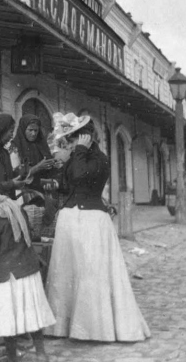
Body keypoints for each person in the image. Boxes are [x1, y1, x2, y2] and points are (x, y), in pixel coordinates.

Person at [44, 112, 150, 342]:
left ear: (85, 137)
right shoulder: (75, 157)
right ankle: (63, 326)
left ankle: (93, 329)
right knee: (67, 272)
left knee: (90, 272)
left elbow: (82, 178)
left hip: (91, 220)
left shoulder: (98, 159)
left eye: (74, 138)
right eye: (69, 139)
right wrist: (63, 161)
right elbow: (65, 184)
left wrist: (79, 152)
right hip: (71, 219)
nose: (70, 143)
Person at [0, 181, 55, 362]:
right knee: (32, 311)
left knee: (7, 317)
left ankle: (12, 358)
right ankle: (41, 353)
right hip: (29, 269)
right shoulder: (16, 209)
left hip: (8, 274)